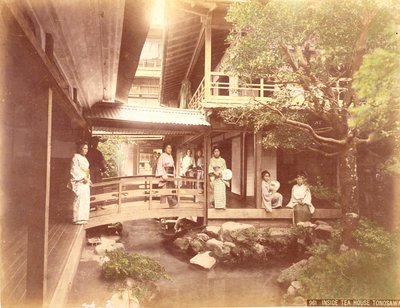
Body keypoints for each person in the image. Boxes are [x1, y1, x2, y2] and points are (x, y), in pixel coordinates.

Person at [68, 141, 91, 224]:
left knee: (85, 199)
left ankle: (84, 217)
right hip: (80, 180)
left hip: (85, 180)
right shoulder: (75, 157)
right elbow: (74, 169)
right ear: (79, 148)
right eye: (84, 148)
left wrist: (88, 178)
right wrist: (83, 177)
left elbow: (87, 170)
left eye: (87, 148)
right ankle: (77, 218)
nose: (86, 150)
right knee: (79, 199)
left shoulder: (84, 158)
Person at [86, 136, 106, 210]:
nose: (96, 144)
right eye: (95, 142)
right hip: (95, 171)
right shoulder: (97, 152)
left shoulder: (88, 152)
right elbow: (102, 163)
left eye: (97, 142)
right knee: (97, 186)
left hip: (91, 171)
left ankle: (93, 204)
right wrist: (103, 169)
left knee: (93, 187)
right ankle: (98, 203)